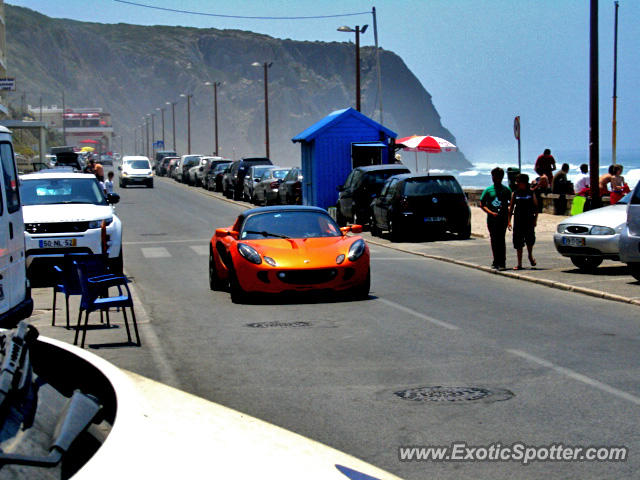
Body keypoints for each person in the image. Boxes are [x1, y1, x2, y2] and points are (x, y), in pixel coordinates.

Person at [480, 167, 512, 270]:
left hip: (502, 218)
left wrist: (508, 219)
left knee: (501, 239)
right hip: (491, 219)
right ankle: (496, 260)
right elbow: (482, 204)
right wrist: (490, 212)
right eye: (494, 176)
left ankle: (502, 262)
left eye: (497, 176)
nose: (495, 178)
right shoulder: (488, 190)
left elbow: (510, 204)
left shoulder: (506, 190)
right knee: (494, 239)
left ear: (501, 177)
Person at [508, 174, 538, 270]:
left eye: (518, 181)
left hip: (529, 219)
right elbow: (511, 208)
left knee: (530, 240)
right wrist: (509, 221)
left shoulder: (531, 192)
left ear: (523, 182)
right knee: (518, 242)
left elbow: (536, 207)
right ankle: (519, 263)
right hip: (518, 220)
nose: (517, 183)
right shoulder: (515, 193)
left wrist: (535, 220)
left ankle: (530, 255)